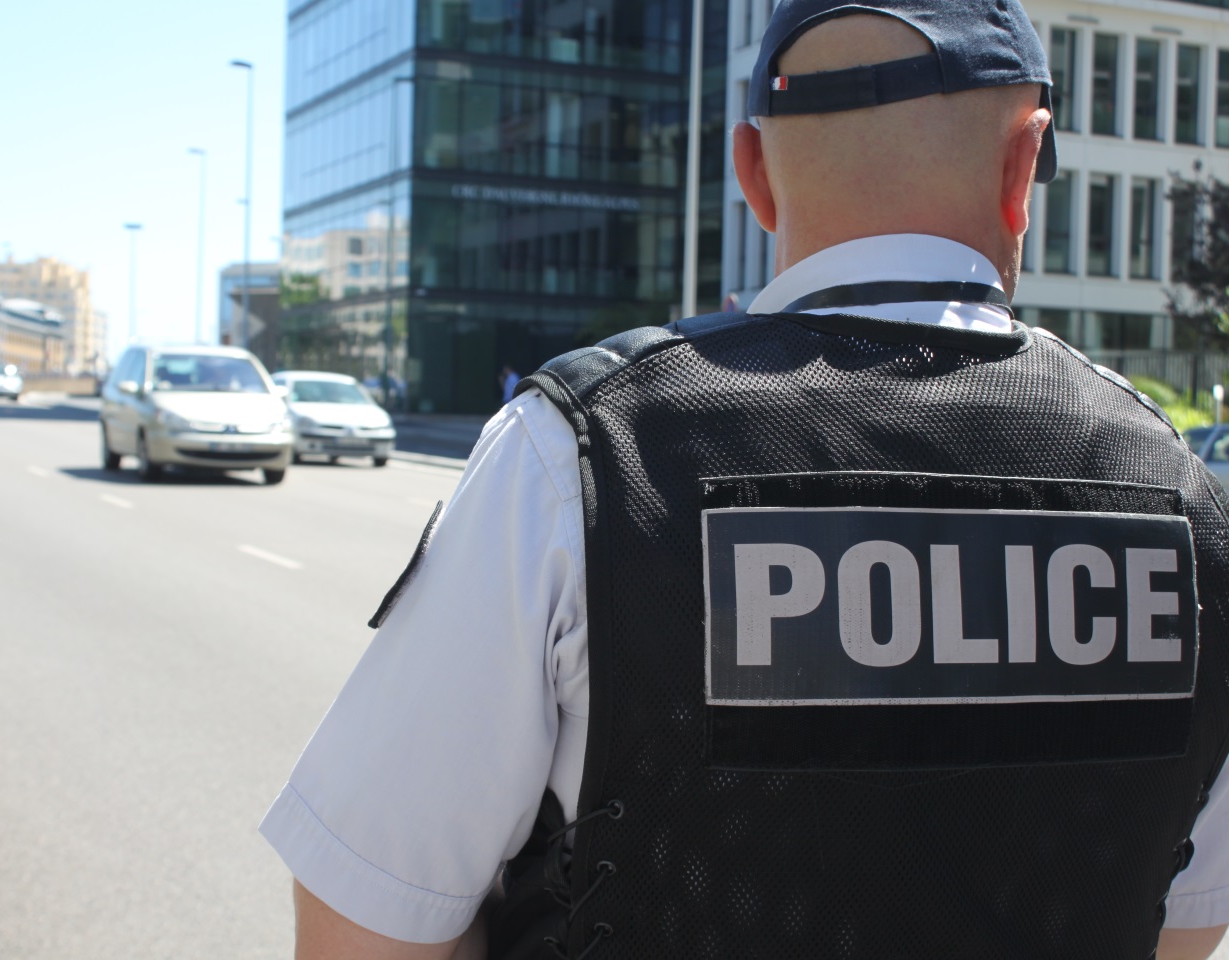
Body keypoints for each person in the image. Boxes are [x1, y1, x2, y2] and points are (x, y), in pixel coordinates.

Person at [261, 2, 1229, 958]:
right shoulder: (1182, 493)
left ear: (751, 174)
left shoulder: (591, 445)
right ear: (1024, 165)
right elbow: (1178, 928)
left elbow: (370, 916)